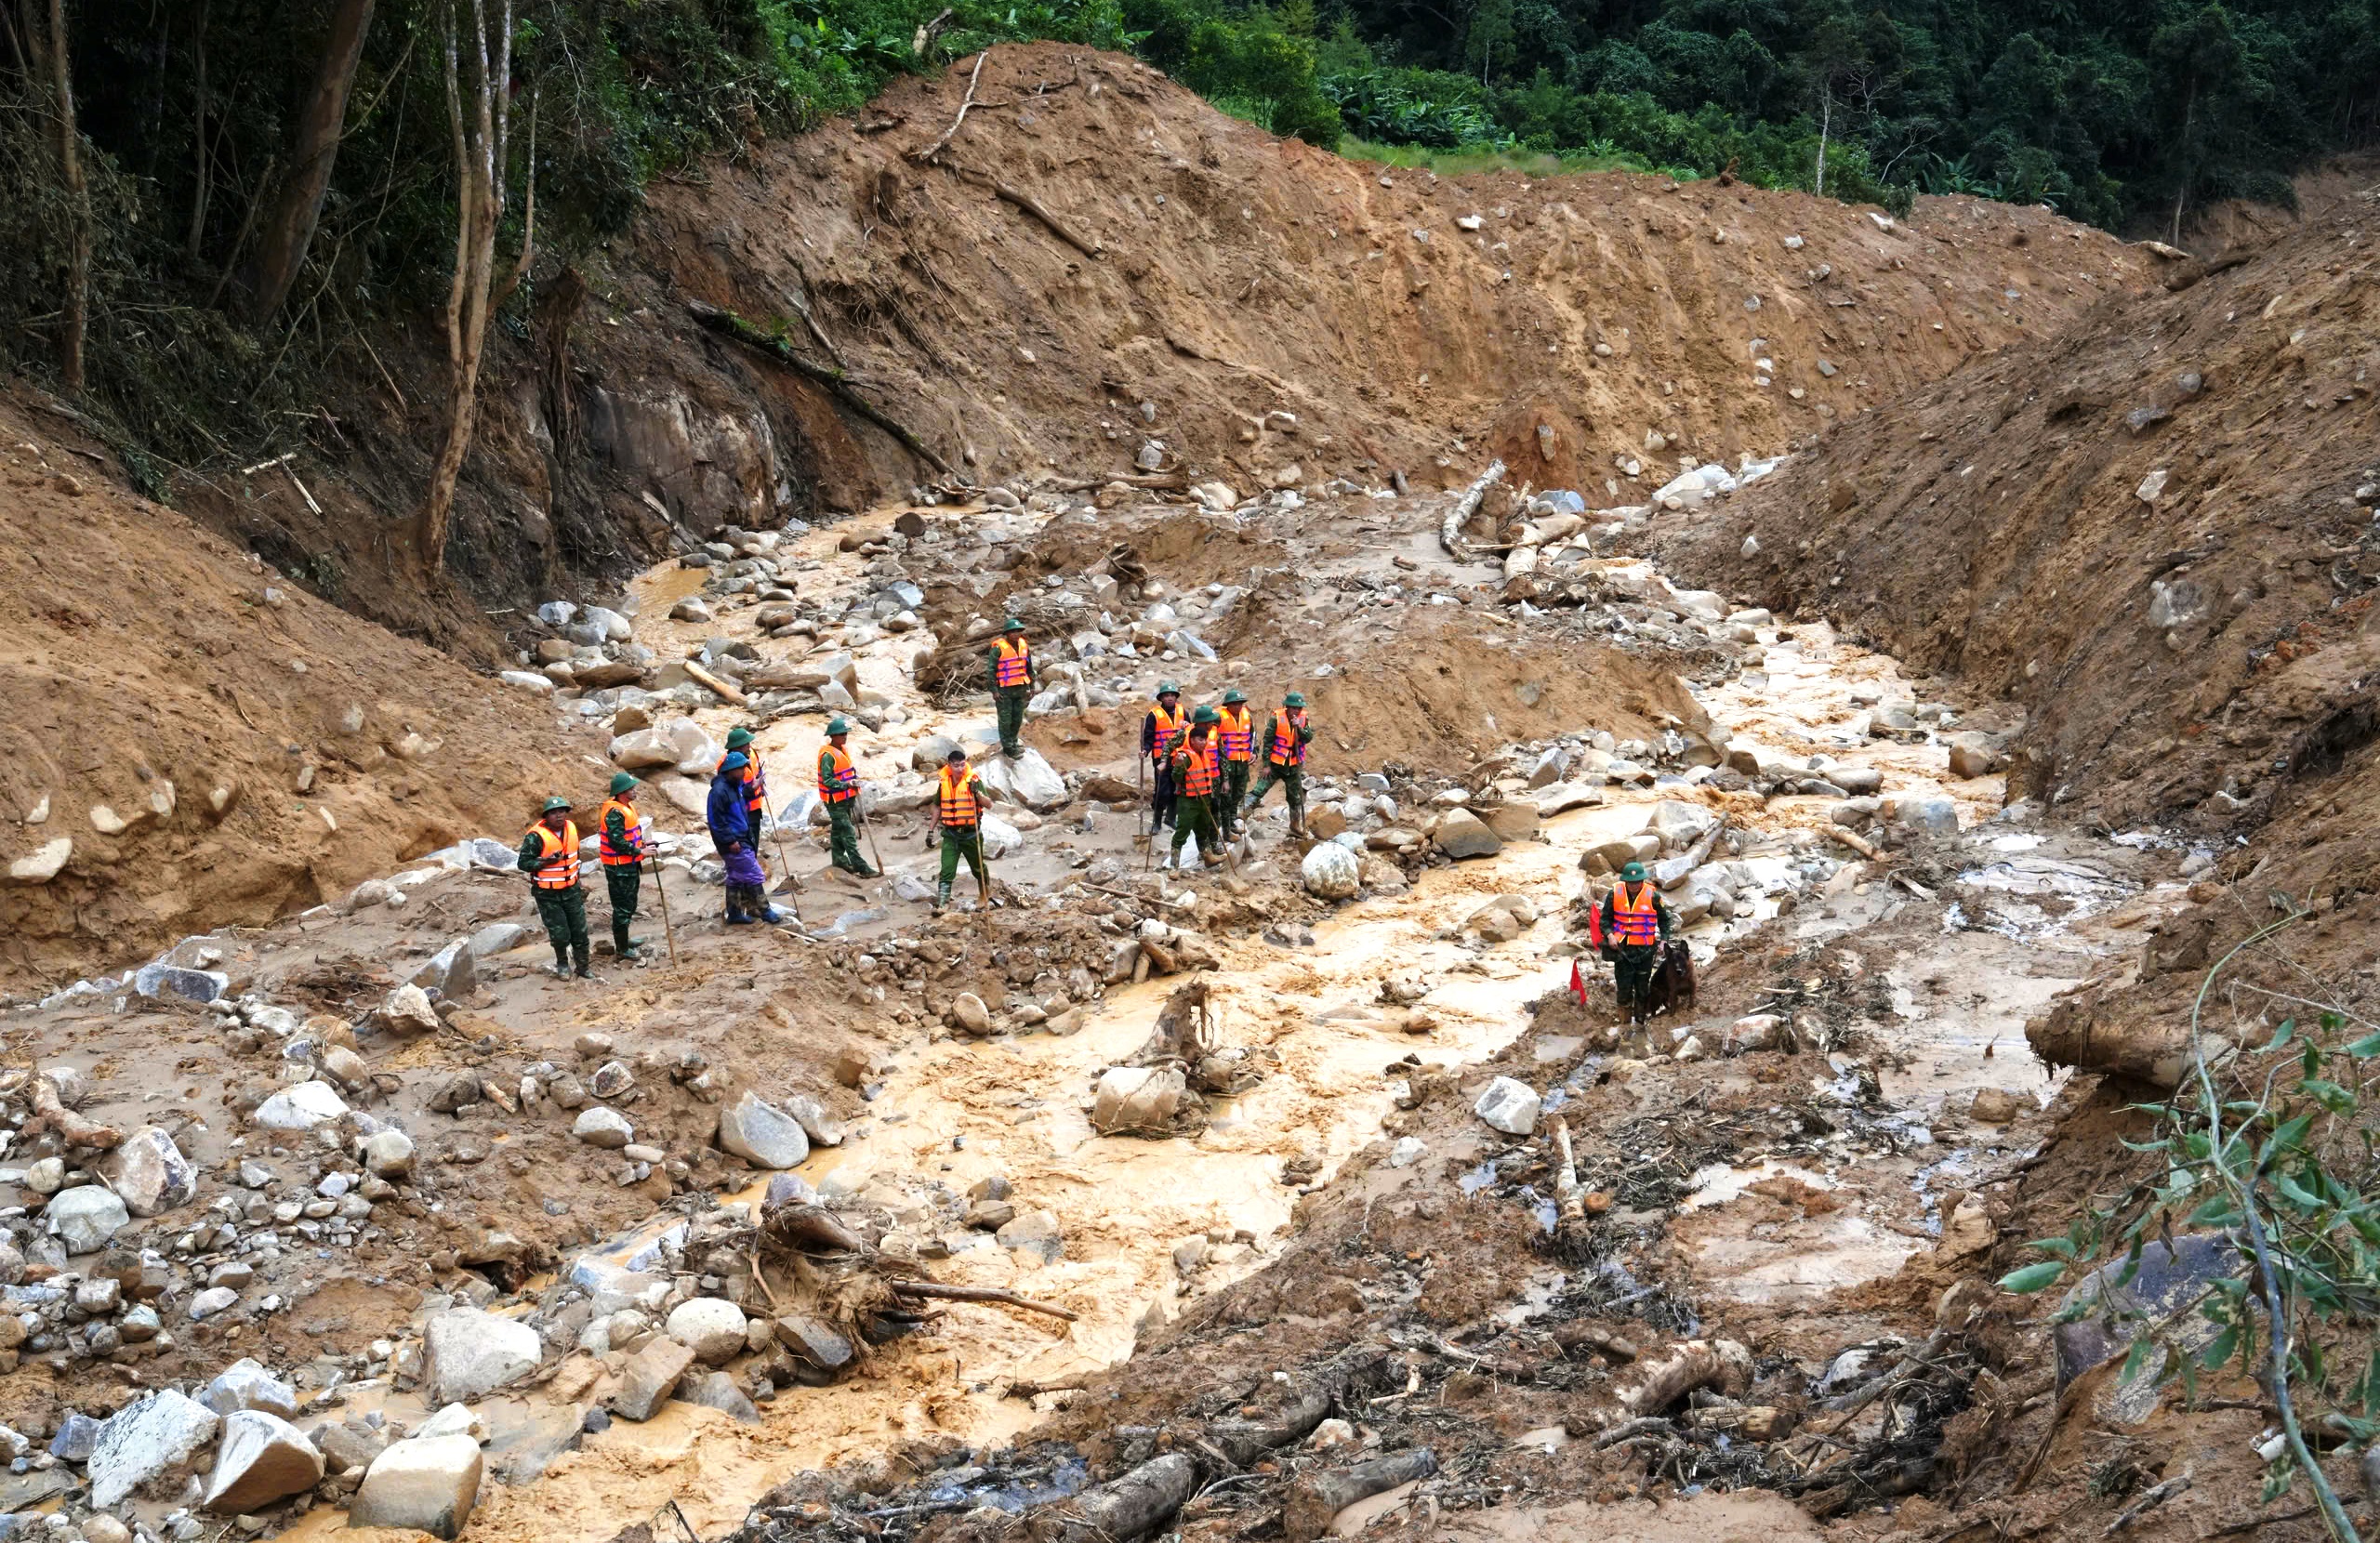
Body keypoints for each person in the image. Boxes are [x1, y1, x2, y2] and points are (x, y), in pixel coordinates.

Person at [517, 796, 591, 978]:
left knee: (580, 931)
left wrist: (577, 879)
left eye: (561, 812)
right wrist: (545, 863)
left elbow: (576, 855)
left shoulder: (571, 828)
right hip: (547, 893)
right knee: (560, 933)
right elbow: (523, 863)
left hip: (571, 889)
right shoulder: (535, 836)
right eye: (553, 813)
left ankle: (583, 967)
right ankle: (562, 964)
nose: (558, 816)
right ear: (546, 816)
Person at [1599, 862, 1674, 1025]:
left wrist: (1663, 941)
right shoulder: (1614, 894)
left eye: (1637, 882)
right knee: (1624, 988)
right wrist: (1610, 935)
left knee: (1642, 987)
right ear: (1625, 881)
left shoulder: (1653, 896)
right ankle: (1624, 1024)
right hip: (1622, 949)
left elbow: (1665, 921)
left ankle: (1640, 1022)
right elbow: (1604, 919)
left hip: (1645, 950)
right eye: (1631, 882)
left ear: (1642, 881)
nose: (1634, 885)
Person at [709, 753, 778, 924]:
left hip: (742, 836)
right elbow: (716, 821)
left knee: (735, 876)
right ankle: (765, 910)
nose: (743, 772)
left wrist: (754, 786)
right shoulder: (718, 792)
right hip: (734, 841)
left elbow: (742, 793)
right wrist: (730, 841)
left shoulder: (735, 785)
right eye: (740, 769)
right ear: (729, 770)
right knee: (754, 874)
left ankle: (734, 913)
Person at [1245, 690, 1315, 837]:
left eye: (1299, 708)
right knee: (1259, 789)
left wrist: (1299, 728)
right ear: (1287, 707)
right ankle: (1240, 818)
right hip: (1276, 764)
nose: (1296, 711)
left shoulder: (1303, 719)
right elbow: (1268, 742)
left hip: (1294, 765)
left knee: (1295, 797)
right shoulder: (1276, 719)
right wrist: (1266, 765)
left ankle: (1295, 826)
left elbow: (1308, 737)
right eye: (1294, 708)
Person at [596, 772, 648, 960]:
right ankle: (622, 948)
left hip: (629, 864)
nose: (635, 791)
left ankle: (624, 940)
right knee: (622, 908)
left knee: (630, 904)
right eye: (631, 788)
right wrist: (640, 852)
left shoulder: (627, 807)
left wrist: (643, 845)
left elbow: (629, 836)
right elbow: (617, 841)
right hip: (618, 868)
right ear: (622, 792)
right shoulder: (615, 813)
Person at [818, 718, 877, 877]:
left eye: (845, 733)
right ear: (833, 736)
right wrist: (846, 785)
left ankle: (839, 860)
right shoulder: (828, 756)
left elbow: (845, 772)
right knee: (848, 831)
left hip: (845, 799)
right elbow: (828, 780)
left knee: (838, 831)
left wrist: (853, 782)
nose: (845, 736)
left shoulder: (842, 750)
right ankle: (861, 866)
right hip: (834, 801)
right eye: (841, 734)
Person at [1169, 706, 1225, 869]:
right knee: (1182, 832)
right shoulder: (1185, 756)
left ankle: (1208, 857)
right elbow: (1176, 777)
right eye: (1200, 740)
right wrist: (1178, 765)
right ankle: (1174, 866)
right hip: (1188, 801)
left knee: (1203, 829)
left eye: (1205, 740)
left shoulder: (1205, 755)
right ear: (1192, 740)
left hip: (1204, 798)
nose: (1204, 743)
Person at [935, 746, 989, 910]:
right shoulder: (944, 783)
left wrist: (977, 794)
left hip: (970, 834)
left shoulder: (974, 781)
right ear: (949, 766)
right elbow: (937, 806)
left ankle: (984, 893)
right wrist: (930, 831)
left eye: (962, 765)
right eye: (956, 765)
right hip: (951, 834)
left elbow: (989, 804)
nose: (960, 769)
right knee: (947, 869)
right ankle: (943, 903)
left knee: (978, 868)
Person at [986, 618, 1038, 759]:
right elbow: (991, 670)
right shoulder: (998, 648)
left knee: (1017, 718)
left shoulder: (1024, 646)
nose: (1016, 634)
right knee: (1005, 720)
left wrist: (1032, 685)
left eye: (1018, 631)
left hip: (1020, 688)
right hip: (1004, 690)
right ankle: (1008, 748)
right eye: (1013, 632)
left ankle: (1014, 742)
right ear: (1007, 634)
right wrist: (994, 690)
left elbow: (1029, 667)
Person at [1140, 681, 1186, 833]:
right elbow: (1149, 738)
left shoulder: (1183, 712)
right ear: (1161, 698)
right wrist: (1145, 751)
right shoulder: (1154, 715)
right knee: (1162, 790)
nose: (1170, 698)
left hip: (1179, 758)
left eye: (1172, 695)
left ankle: (1171, 818)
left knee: (1177, 789)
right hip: (1160, 759)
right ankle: (1157, 821)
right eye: (1166, 695)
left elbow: (1191, 734)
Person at [1214, 688, 1255, 841]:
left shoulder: (1247, 716)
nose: (1238, 706)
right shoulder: (1218, 717)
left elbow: (1252, 736)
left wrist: (1254, 751)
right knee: (1225, 796)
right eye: (1235, 704)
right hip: (1225, 763)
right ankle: (1225, 828)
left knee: (1238, 793)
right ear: (1228, 705)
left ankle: (1231, 819)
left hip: (1242, 762)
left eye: (1240, 703)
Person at [721, 726, 768, 829]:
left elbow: (757, 770)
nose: (749, 746)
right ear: (738, 746)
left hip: (755, 810)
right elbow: (730, 794)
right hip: (740, 813)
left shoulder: (751, 753)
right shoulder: (729, 765)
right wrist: (752, 789)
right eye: (747, 744)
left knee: (753, 843)